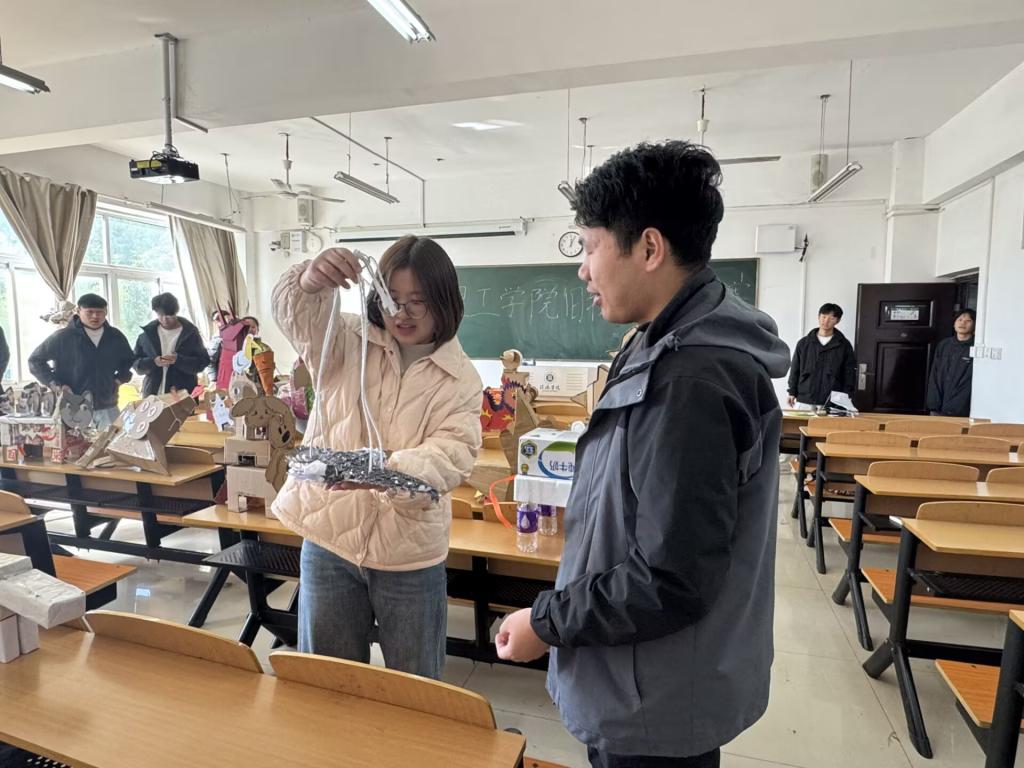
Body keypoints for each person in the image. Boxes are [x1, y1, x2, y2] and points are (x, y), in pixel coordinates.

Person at [494, 142, 791, 767]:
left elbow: (669, 578)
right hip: (651, 678)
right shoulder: (663, 344)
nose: (583, 270)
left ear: (649, 248)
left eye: (590, 246)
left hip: (653, 695)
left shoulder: (689, 381)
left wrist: (546, 622)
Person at [271, 236, 482, 680]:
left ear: (444, 301)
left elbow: (452, 454)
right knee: (326, 682)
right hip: (329, 536)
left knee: (416, 685)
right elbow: (298, 316)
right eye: (392, 298)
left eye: (418, 301)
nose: (402, 313)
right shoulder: (346, 339)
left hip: (409, 553)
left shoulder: (460, 378)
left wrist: (385, 471)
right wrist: (310, 281)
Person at [28, 293, 135, 428]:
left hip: (108, 404)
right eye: (89, 312)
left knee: (112, 440)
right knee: (75, 441)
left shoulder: (115, 336)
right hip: (73, 405)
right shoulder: (63, 337)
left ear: (106, 312)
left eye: (99, 312)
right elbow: (35, 360)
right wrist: (55, 383)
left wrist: (119, 379)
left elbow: (129, 360)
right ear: (78, 311)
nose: (95, 316)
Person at [133, 293, 211, 397]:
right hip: (152, 394)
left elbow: (202, 362)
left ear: (176, 312)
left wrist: (179, 360)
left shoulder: (191, 334)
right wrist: (153, 362)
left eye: (169, 315)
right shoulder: (147, 335)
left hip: (182, 394)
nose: (165, 319)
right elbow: (135, 363)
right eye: (160, 315)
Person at [786, 303, 856, 408]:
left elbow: (849, 372)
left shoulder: (844, 345)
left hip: (832, 400)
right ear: (818, 317)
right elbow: (795, 368)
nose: (826, 321)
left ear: (838, 321)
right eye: (824, 316)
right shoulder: (804, 343)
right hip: (805, 398)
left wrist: (847, 394)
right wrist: (792, 392)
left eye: (831, 318)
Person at [927, 308, 975, 416]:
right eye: (960, 320)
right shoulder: (944, 345)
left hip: (961, 409)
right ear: (954, 323)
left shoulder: (976, 348)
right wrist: (933, 402)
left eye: (968, 321)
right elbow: (935, 374)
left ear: (975, 325)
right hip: (938, 405)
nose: (963, 323)